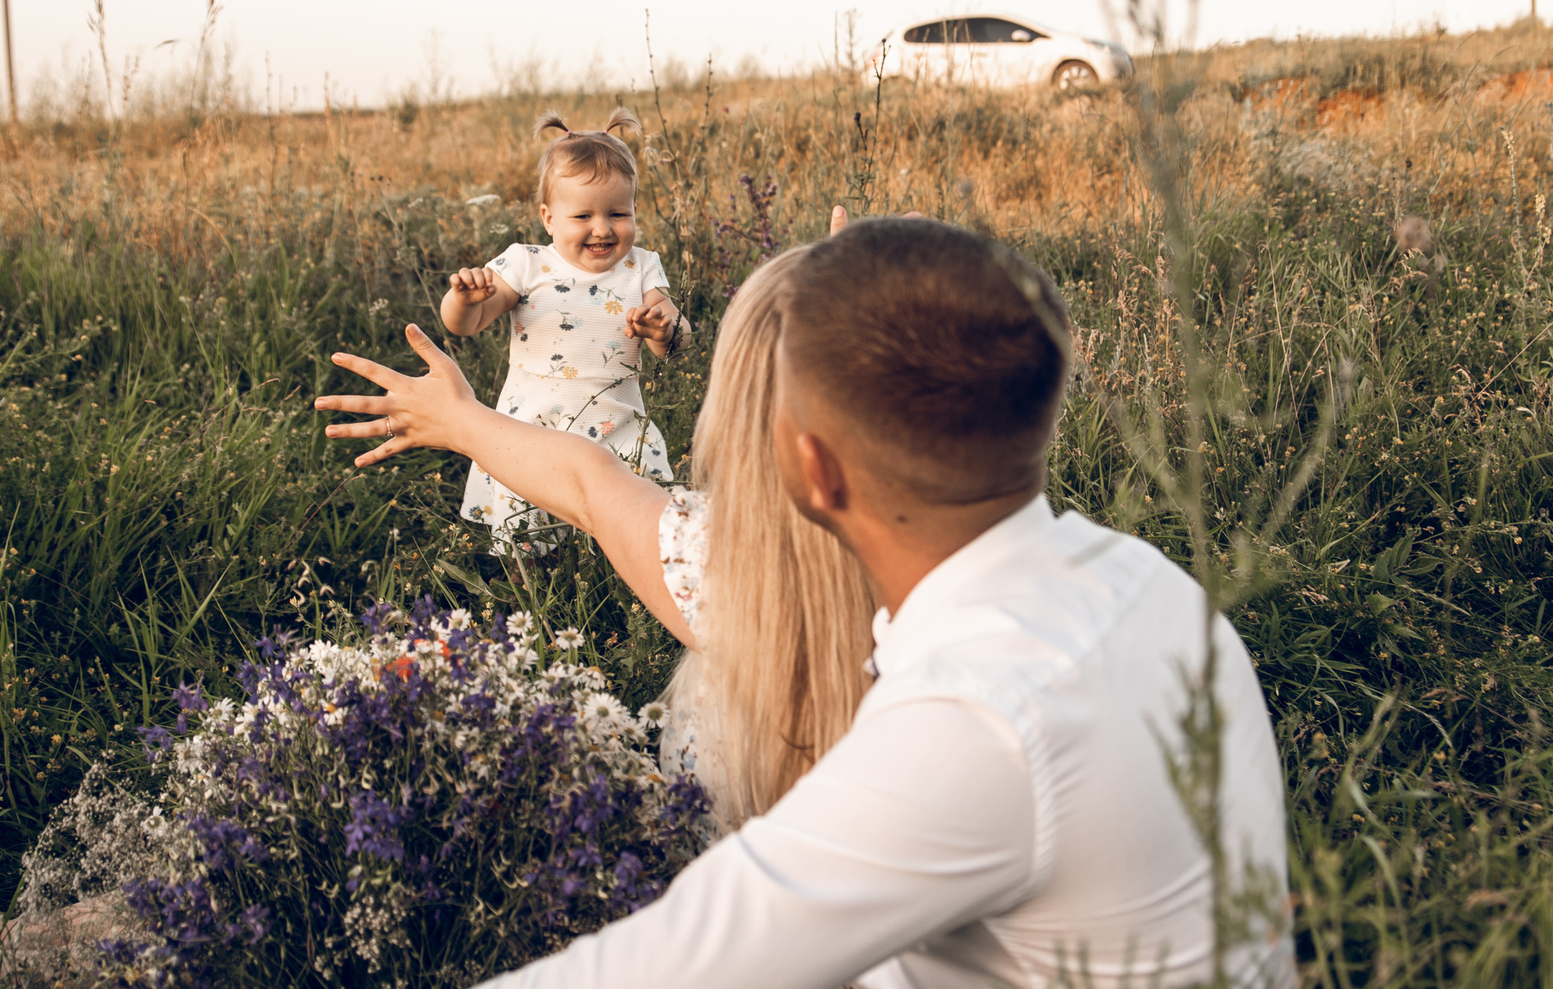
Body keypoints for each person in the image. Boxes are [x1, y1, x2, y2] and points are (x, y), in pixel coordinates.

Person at [319, 216, 1293, 989]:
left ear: (813, 468)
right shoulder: (1157, 587)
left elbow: (666, 963)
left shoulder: (981, 721)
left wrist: (462, 419)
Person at [640, 247, 877, 826]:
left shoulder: (711, 550)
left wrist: (462, 420)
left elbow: (587, 481)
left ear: (734, 413)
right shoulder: (945, 562)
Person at [437, 108, 685, 549]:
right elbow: (466, 325)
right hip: (535, 433)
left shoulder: (642, 267)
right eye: (583, 217)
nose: (602, 229)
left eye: (618, 213)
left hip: (617, 429)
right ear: (548, 218)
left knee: (630, 533)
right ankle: (538, 603)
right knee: (531, 538)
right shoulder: (526, 263)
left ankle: (613, 594)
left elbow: (678, 336)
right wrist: (462, 300)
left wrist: (663, 331)